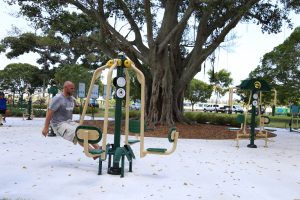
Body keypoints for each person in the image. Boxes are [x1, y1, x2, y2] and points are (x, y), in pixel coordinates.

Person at [42, 81, 101, 156]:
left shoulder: (71, 99)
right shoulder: (58, 98)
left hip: (69, 122)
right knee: (78, 133)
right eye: (71, 88)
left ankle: (98, 148)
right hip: (59, 124)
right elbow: (49, 112)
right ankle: (91, 150)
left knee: (84, 130)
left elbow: (76, 105)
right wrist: (46, 127)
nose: (73, 90)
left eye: (73, 88)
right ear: (65, 88)